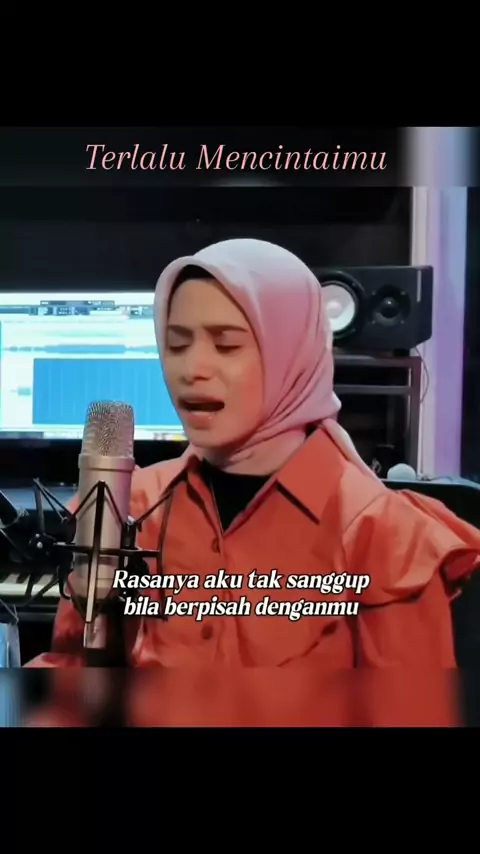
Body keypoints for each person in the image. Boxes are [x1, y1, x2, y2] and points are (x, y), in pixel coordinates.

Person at [25, 238, 480, 721]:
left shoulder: (382, 534)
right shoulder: (131, 502)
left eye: (226, 345)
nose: (192, 370)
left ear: (292, 354)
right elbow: (72, 688)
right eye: (177, 344)